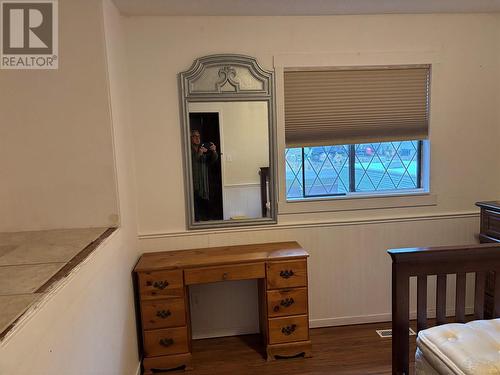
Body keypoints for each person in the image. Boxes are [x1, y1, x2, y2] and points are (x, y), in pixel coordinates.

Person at [190, 129, 218, 221]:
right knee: (195, 205)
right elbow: (192, 162)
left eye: (198, 136)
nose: (197, 138)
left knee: (204, 203)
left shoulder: (203, 148)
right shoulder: (188, 150)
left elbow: (213, 160)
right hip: (193, 182)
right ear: (190, 138)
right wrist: (199, 154)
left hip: (204, 182)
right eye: (195, 136)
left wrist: (214, 151)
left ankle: (205, 219)